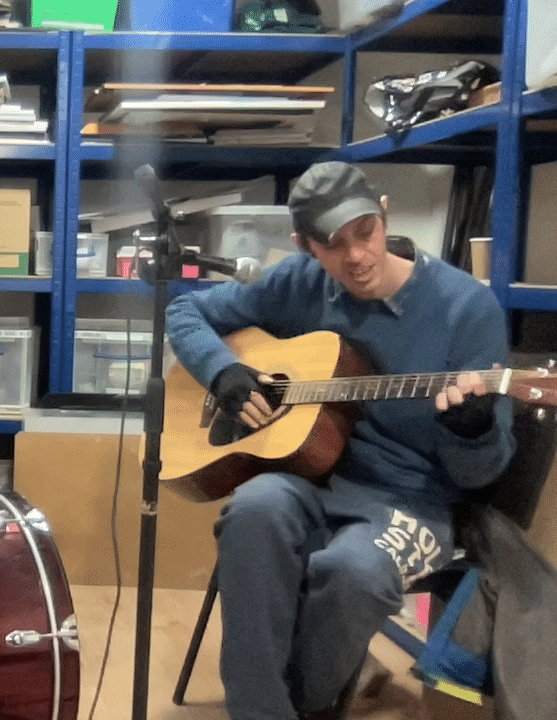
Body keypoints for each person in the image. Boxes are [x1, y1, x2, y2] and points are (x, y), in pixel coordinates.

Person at [165, 161, 516, 720]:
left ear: (382, 213)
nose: (355, 256)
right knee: (253, 511)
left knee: (353, 572)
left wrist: (473, 430)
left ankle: (301, 707)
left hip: (412, 498)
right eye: (331, 245)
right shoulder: (296, 282)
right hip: (307, 475)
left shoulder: (465, 310)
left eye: (364, 232)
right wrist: (223, 372)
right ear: (304, 246)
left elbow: (481, 477)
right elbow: (185, 308)